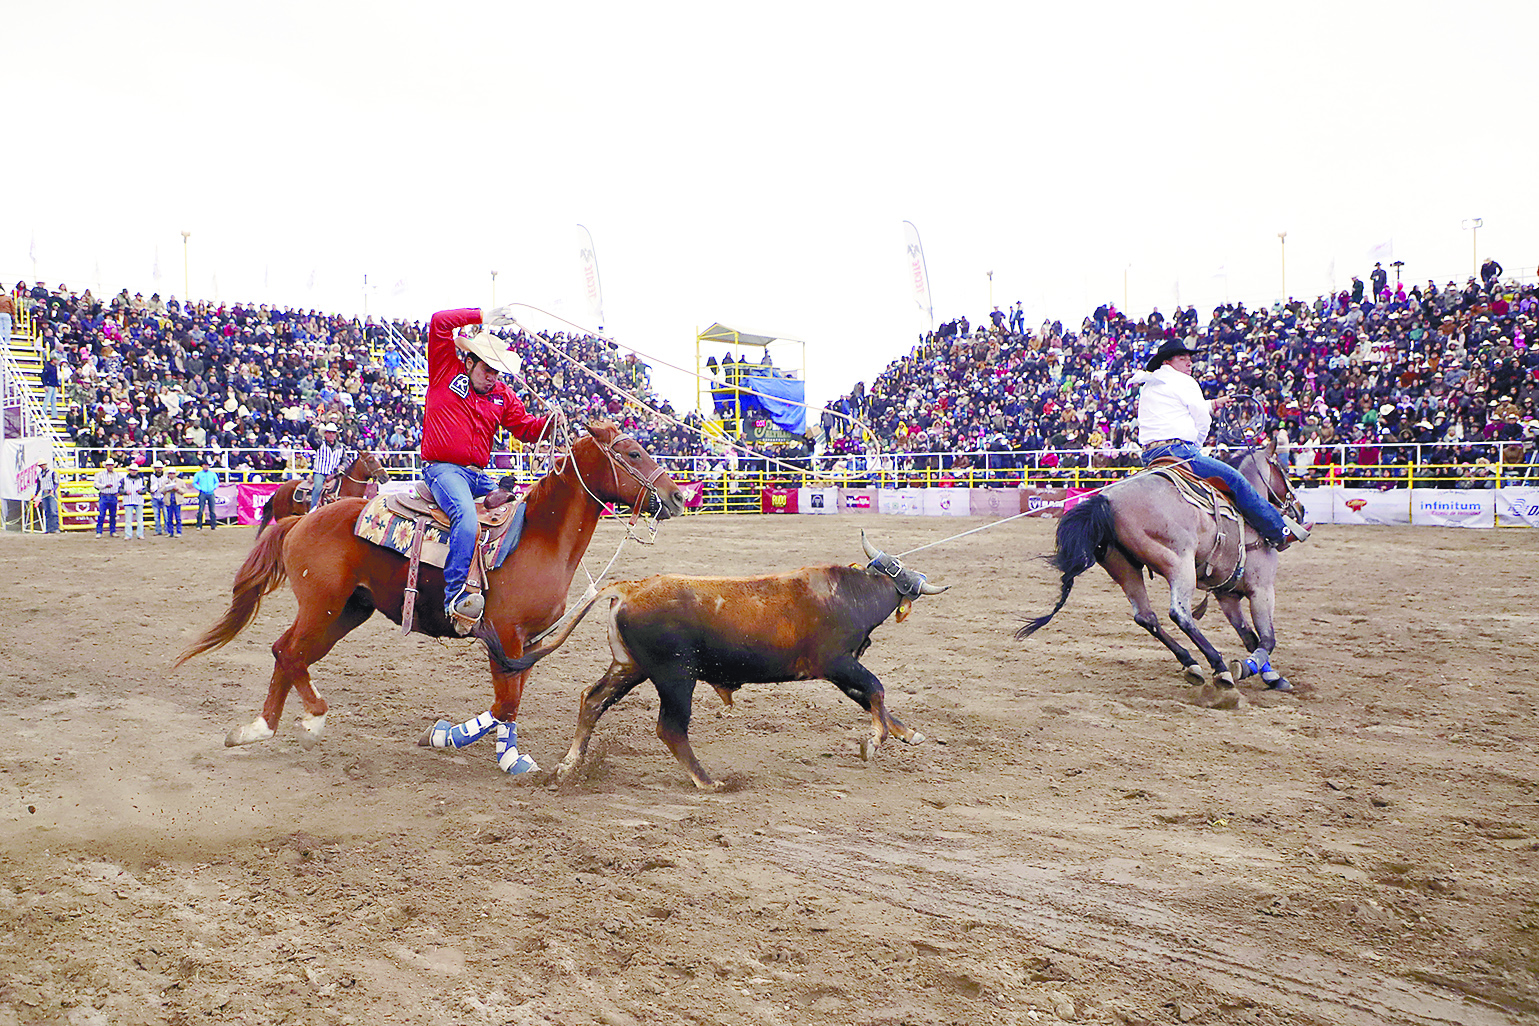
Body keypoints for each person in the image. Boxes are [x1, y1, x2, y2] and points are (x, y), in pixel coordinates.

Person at [421, 305, 552, 627]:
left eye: (496, 371)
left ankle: (506, 584)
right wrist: (480, 315)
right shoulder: (445, 372)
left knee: (520, 512)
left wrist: (549, 422)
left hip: (477, 475)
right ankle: (455, 596)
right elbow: (439, 322)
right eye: (487, 369)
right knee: (466, 520)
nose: (492, 376)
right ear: (469, 362)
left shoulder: (502, 395)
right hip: (444, 469)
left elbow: (525, 429)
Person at [1130, 338, 1309, 550]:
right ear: (1168, 362)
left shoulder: (1151, 383)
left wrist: (1213, 404)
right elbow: (1202, 421)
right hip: (1179, 452)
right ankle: (1279, 532)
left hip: (1150, 455)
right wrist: (1196, 446)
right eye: (1182, 358)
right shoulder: (1185, 382)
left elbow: (1176, 406)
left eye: (1190, 359)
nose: (1189, 363)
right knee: (1237, 481)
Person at [309, 423, 347, 511]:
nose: (331, 435)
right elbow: (310, 439)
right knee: (318, 487)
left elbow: (345, 460)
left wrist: (343, 466)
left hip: (335, 474)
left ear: (335, 434)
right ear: (325, 434)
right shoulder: (319, 444)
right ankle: (313, 508)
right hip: (320, 472)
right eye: (329, 433)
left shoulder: (341, 447)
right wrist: (314, 427)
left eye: (333, 433)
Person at [94, 457, 123, 538]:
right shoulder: (100, 474)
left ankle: (112, 531)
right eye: (108, 465)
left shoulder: (117, 475)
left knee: (113, 515)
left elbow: (121, 484)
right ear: (106, 466)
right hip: (104, 495)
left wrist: (118, 491)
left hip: (113, 495)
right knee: (101, 515)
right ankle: (99, 531)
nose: (110, 467)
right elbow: (95, 484)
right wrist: (104, 486)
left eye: (111, 465)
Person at [32, 459, 61, 534]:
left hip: (50, 492)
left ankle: (55, 527)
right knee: (47, 511)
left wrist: (53, 490)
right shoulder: (39, 475)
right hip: (44, 493)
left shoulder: (52, 473)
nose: (42, 466)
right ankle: (49, 528)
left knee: (53, 511)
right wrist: (35, 495)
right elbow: (39, 486)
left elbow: (56, 483)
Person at [121, 463, 148, 540]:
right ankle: (128, 534)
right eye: (132, 470)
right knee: (128, 519)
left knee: (139, 519)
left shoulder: (141, 479)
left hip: (138, 500)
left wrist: (141, 491)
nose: (133, 472)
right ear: (129, 471)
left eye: (135, 470)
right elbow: (120, 489)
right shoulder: (124, 479)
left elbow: (145, 490)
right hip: (128, 501)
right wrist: (125, 492)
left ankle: (140, 534)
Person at [157, 469, 185, 538]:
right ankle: (170, 532)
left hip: (177, 501)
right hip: (168, 501)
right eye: (170, 473)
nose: (172, 475)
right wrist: (166, 489)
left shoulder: (180, 482)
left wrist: (177, 489)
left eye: (173, 473)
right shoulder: (165, 482)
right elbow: (161, 490)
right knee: (169, 518)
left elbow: (184, 491)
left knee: (178, 517)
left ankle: (178, 531)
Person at [192, 459, 220, 530]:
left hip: (210, 492)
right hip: (203, 493)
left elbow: (217, 482)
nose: (206, 467)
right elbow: (194, 483)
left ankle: (213, 525)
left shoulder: (212, 474)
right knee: (201, 509)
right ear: (202, 466)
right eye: (205, 465)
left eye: (207, 465)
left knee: (212, 510)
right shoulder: (198, 474)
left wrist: (214, 487)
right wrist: (200, 488)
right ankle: (199, 525)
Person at [149, 460, 170, 535]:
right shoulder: (151, 477)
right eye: (157, 468)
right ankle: (159, 530)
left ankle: (167, 530)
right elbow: (148, 486)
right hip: (155, 497)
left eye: (159, 468)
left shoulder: (165, 476)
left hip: (164, 497)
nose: (158, 469)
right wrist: (150, 490)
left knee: (166, 516)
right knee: (156, 516)